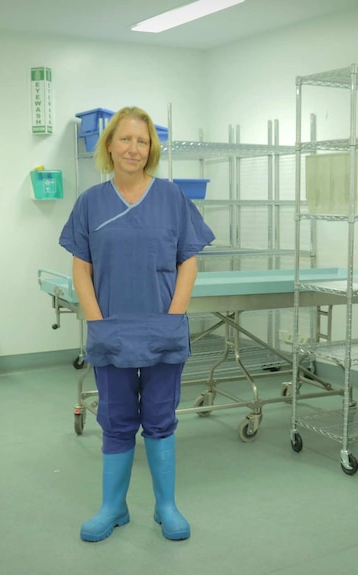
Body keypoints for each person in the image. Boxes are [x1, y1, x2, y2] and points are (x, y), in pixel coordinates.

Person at [59, 106, 215, 542]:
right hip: (112, 329)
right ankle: (114, 507)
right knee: (117, 417)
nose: (134, 148)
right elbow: (80, 269)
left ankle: (166, 507)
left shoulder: (171, 198)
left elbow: (188, 261)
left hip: (162, 327)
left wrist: (174, 316)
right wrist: (97, 323)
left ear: (152, 149)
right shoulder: (90, 202)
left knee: (161, 417)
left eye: (142, 141)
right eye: (125, 139)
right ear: (109, 144)